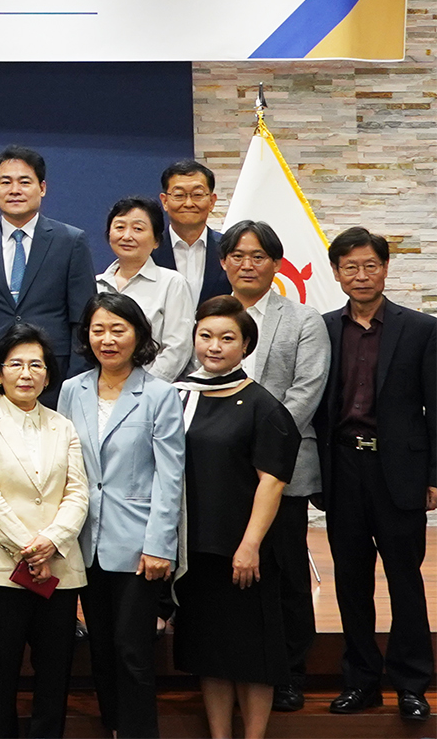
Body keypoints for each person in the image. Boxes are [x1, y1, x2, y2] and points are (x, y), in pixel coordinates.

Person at [318, 227, 436, 721]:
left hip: (400, 471)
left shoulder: (421, 328)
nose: (361, 275)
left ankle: (412, 685)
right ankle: (361, 680)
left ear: (386, 268)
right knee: (350, 580)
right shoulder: (322, 329)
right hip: (343, 467)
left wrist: (434, 475)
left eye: (370, 265)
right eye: (350, 267)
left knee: (405, 580)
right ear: (336, 272)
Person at [173, 295, 299, 739]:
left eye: (227, 338)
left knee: (252, 656)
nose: (214, 346)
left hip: (244, 552)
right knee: (211, 654)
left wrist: (249, 546)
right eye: (205, 336)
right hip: (197, 549)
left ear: (246, 345)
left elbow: (272, 482)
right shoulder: (180, 396)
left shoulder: (262, 405)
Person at [62, 292, 186, 738]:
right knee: (100, 648)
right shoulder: (71, 390)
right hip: (82, 541)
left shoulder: (160, 394)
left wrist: (160, 545)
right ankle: (113, 727)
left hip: (137, 543)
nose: (107, 339)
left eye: (118, 329)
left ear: (138, 336)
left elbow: (170, 477)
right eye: (98, 330)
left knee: (132, 650)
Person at [218, 220, 329, 711]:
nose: (248, 264)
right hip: (221, 473)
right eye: (238, 255)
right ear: (224, 262)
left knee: (284, 573)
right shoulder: (211, 315)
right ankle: (234, 665)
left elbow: (306, 390)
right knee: (229, 574)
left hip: (283, 469)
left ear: (276, 264)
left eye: (259, 256)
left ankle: (290, 672)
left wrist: (258, 443)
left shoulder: (304, 320)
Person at [0, 322, 89, 739]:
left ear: (48, 375)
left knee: (55, 667)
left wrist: (51, 541)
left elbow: (78, 492)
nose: (26, 373)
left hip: (59, 567)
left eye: (36, 365)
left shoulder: (63, 426)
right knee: (1, 665)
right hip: (1, 569)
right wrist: (29, 548)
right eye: (15, 364)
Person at [0, 145, 97, 406]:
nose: (14, 190)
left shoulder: (70, 241)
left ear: (42, 188)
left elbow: (83, 319)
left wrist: (74, 384)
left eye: (24, 182)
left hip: (53, 376)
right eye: (5, 182)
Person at [94, 197, 194, 381]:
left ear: (156, 240)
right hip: (99, 387)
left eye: (138, 229)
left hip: (152, 389)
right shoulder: (96, 284)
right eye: (120, 227)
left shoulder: (172, 283)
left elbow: (177, 347)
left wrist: (144, 388)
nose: (127, 236)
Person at [151, 159, 231, 303]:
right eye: (179, 195)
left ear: (212, 201)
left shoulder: (230, 248)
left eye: (197, 195)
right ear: (164, 201)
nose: (188, 203)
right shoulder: (148, 251)